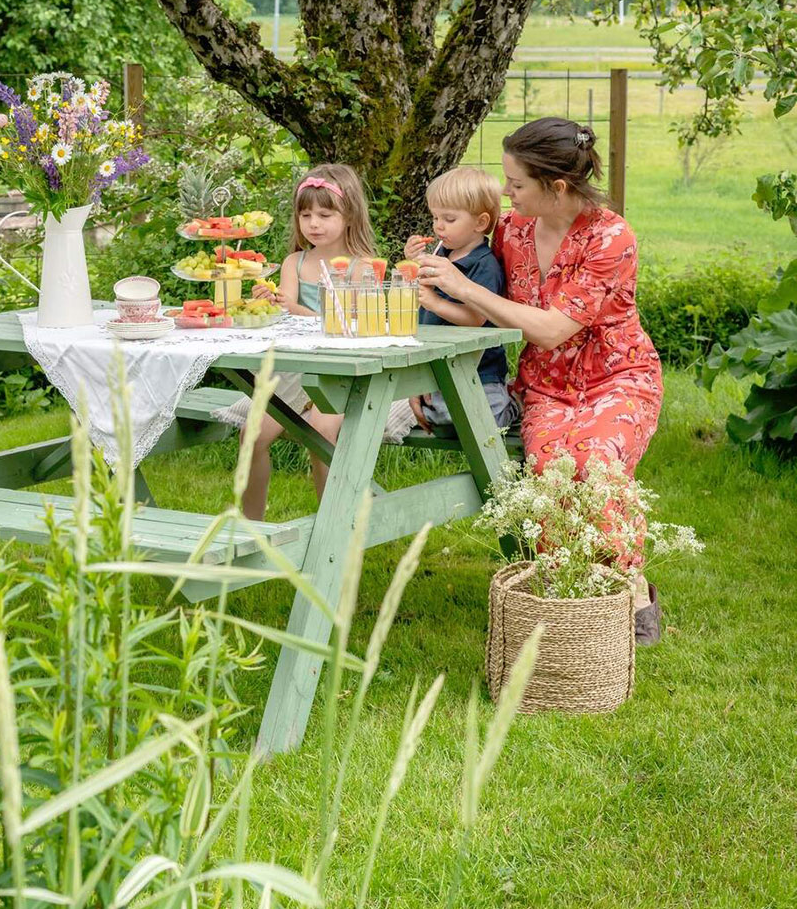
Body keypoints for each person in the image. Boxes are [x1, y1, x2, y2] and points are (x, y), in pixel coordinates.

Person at [417, 118, 664, 644]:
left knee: (597, 465)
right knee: (552, 472)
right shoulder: (512, 230)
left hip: (617, 378)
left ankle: (631, 586)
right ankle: (572, 599)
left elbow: (552, 329)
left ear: (556, 187)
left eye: (517, 184)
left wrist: (465, 288)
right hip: (545, 386)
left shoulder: (610, 236)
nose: (506, 193)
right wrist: (437, 250)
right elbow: (469, 247)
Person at [236, 163, 377, 520]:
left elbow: (353, 325)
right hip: (294, 366)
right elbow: (285, 314)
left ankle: (332, 530)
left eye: (325, 214)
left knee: (322, 434)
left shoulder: (362, 268)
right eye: (306, 214)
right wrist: (270, 301)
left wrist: (294, 307)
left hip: (341, 369)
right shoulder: (295, 263)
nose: (314, 224)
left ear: (349, 216)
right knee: (251, 436)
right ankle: (251, 526)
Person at [403, 165, 517, 432]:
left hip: (479, 371)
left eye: (449, 219)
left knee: (481, 421)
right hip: (440, 364)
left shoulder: (484, 266)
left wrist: (435, 303)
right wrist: (413, 261)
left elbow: (476, 319)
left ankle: (513, 405)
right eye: (435, 218)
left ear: (480, 223)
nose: (439, 226)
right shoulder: (441, 255)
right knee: (441, 415)